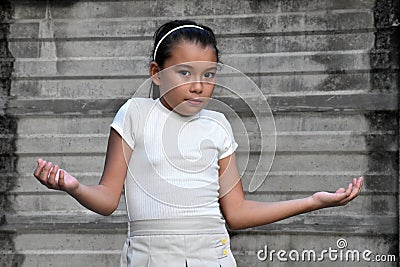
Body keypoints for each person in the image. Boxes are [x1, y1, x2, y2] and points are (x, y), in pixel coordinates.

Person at [33, 20, 363, 267]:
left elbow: (236, 213)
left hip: (213, 256)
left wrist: (314, 202)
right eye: (185, 73)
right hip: (151, 258)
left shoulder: (218, 125)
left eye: (209, 75)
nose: (198, 86)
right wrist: (72, 186)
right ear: (156, 73)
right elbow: (107, 200)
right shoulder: (135, 114)